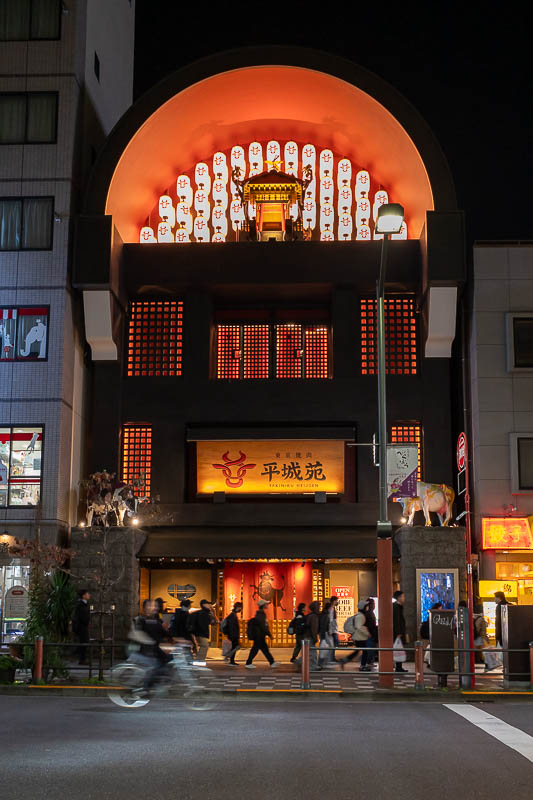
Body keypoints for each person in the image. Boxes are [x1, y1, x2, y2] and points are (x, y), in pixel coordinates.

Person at [131, 599, 173, 691]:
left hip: (155, 649)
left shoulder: (155, 619)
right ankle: (145, 688)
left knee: (169, 660)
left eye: (154, 606)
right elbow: (139, 634)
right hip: (146, 650)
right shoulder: (140, 620)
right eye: (150, 606)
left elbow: (162, 632)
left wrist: (176, 639)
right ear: (144, 608)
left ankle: (153, 685)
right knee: (157, 665)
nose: (153, 608)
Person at [245, 599, 280, 668]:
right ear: (263, 605)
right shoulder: (261, 614)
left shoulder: (260, 614)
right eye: (266, 604)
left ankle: (272, 662)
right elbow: (263, 626)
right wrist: (269, 634)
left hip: (260, 635)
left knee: (264, 649)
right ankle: (248, 663)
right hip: (259, 635)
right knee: (256, 649)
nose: (267, 605)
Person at [340, 599, 371, 669]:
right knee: (365, 651)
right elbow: (358, 626)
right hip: (359, 637)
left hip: (358, 636)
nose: (368, 607)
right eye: (367, 606)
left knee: (358, 651)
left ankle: (344, 660)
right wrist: (367, 633)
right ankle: (363, 666)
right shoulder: (361, 616)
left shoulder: (359, 615)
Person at [188, 599, 217, 664]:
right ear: (203, 605)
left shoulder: (206, 613)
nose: (209, 605)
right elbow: (202, 624)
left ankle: (198, 660)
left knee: (202, 646)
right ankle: (199, 660)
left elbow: (213, 622)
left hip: (200, 633)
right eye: (208, 604)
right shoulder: (203, 613)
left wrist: (213, 614)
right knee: (204, 646)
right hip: (201, 634)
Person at [473, 606, 499, 672]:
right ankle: (488, 664)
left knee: (481, 652)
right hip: (481, 637)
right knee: (484, 652)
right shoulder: (481, 619)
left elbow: (477, 628)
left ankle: (489, 664)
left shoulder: (478, 619)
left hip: (480, 638)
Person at [72, 589, 91, 665]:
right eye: (87, 594)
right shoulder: (80, 605)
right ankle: (81, 658)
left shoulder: (85, 604)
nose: (89, 595)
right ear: (83, 596)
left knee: (84, 641)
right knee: (83, 642)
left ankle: (82, 658)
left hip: (84, 626)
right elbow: (81, 616)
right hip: (81, 626)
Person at [303, 600, 321, 671]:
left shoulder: (310, 615)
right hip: (310, 636)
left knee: (309, 652)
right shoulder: (314, 617)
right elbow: (314, 628)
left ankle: (308, 665)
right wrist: (315, 638)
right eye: (318, 607)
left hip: (306, 636)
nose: (319, 608)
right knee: (312, 653)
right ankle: (312, 666)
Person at [393, 590, 408, 673]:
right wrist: (398, 632)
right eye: (403, 596)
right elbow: (396, 621)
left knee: (399, 649)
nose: (404, 598)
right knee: (398, 649)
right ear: (398, 598)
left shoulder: (398, 606)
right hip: (397, 633)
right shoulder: (396, 607)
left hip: (399, 632)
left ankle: (399, 667)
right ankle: (398, 667)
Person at [318, 601, 333, 667]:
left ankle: (324, 662)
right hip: (324, 633)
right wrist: (323, 636)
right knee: (326, 647)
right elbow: (323, 625)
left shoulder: (324, 614)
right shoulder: (325, 615)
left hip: (324, 633)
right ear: (329, 608)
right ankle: (322, 662)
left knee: (325, 647)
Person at [329, 596, 339, 662]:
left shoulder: (332, 608)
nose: (337, 602)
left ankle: (332, 657)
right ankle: (331, 658)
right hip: (332, 630)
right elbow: (331, 620)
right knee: (333, 644)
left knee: (333, 644)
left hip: (333, 629)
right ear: (333, 601)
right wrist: (332, 630)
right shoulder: (331, 609)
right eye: (336, 600)